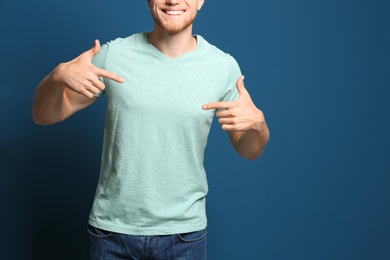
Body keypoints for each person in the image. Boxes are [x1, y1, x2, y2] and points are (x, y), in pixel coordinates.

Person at [32, 0, 269, 259]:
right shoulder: (113, 55)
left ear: (201, 1)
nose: (173, 1)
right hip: (111, 233)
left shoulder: (222, 67)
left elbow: (249, 151)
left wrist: (258, 125)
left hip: (184, 236)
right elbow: (43, 116)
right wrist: (57, 77)